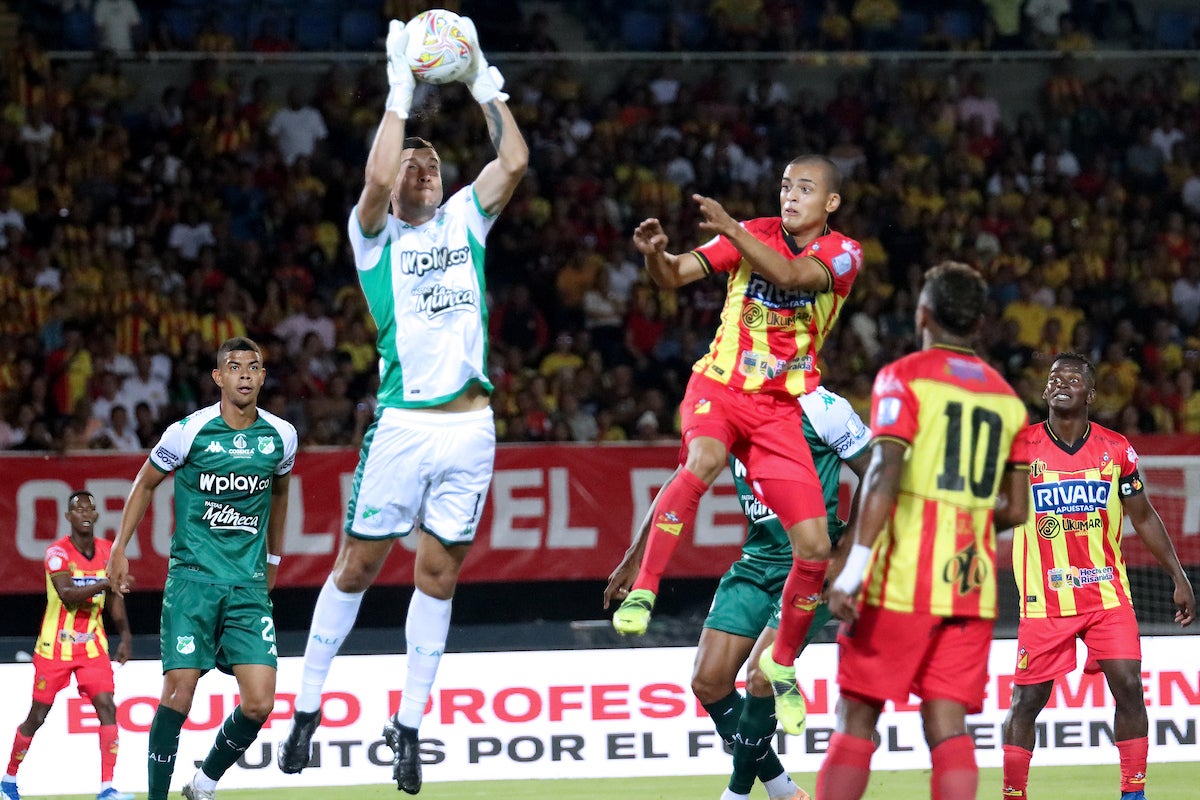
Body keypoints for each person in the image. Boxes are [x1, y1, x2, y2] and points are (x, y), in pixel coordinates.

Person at [275, 16, 528, 796]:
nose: (421, 167)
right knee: (356, 565)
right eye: (414, 159)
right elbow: (377, 181)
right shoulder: (373, 237)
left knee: (440, 577)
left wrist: (485, 79)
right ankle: (309, 708)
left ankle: (409, 725)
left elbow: (513, 158)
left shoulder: (466, 219)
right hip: (403, 425)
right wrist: (400, 94)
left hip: (472, 429)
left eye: (431, 161)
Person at [611, 153, 863, 737]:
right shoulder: (751, 233)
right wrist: (655, 256)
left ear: (830, 204)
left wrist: (730, 231)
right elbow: (675, 276)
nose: (790, 196)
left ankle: (780, 663)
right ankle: (644, 593)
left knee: (815, 544)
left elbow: (794, 278)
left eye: (805, 188)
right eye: (784, 186)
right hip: (720, 388)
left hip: (779, 407)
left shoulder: (843, 252)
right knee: (702, 459)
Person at [819, 262, 1031, 800]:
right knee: (947, 724)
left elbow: (885, 470)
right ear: (980, 325)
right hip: (971, 583)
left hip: (903, 577)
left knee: (857, 713)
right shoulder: (1009, 401)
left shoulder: (905, 375)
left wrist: (854, 565)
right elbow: (1015, 510)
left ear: (923, 314)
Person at [605, 385, 871, 800]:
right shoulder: (726, 406)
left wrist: (846, 550)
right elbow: (683, 479)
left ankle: (737, 792)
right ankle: (783, 789)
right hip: (755, 563)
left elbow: (876, 471)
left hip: (810, 565)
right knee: (708, 681)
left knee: (762, 674)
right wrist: (636, 555)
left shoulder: (823, 407)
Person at [105, 337, 297, 800]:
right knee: (178, 695)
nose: (245, 374)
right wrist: (119, 548)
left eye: (254, 367)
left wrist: (273, 559)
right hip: (192, 583)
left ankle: (203, 784)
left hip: (247, 587)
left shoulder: (282, 436)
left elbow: (280, 493)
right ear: (219, 378)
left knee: (259, 702)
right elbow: (146, 482)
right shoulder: (188, 431)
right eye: (235, 367)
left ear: (263, 376)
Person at [1000, 353, 1196, 800]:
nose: (1060, 383)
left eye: (1072, 378)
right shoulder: (1019, 447)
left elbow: (1143, 516)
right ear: (1045, 390)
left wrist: (1178, 575)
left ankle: (1133, 793)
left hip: (1107, 594)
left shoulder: (1116, 448)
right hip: (1044, 600)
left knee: (1128, 687)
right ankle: (1013, 794)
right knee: (1026, 703)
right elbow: (1000, 509)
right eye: (1054, 378)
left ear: (1091, 394)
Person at [2, 491, 134, 800]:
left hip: (93, 648)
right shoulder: (56, 553)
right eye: (78, 509)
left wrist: (125, 636)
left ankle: (107, 788)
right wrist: (107, 582)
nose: (85, 512)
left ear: (97, 515)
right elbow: (67, 594)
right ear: (68, 517)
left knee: (107, 707)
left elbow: (114, 601)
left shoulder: (109, 552)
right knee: (37, 716)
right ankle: (8, 779)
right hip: (54, 649)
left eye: (90, 507)